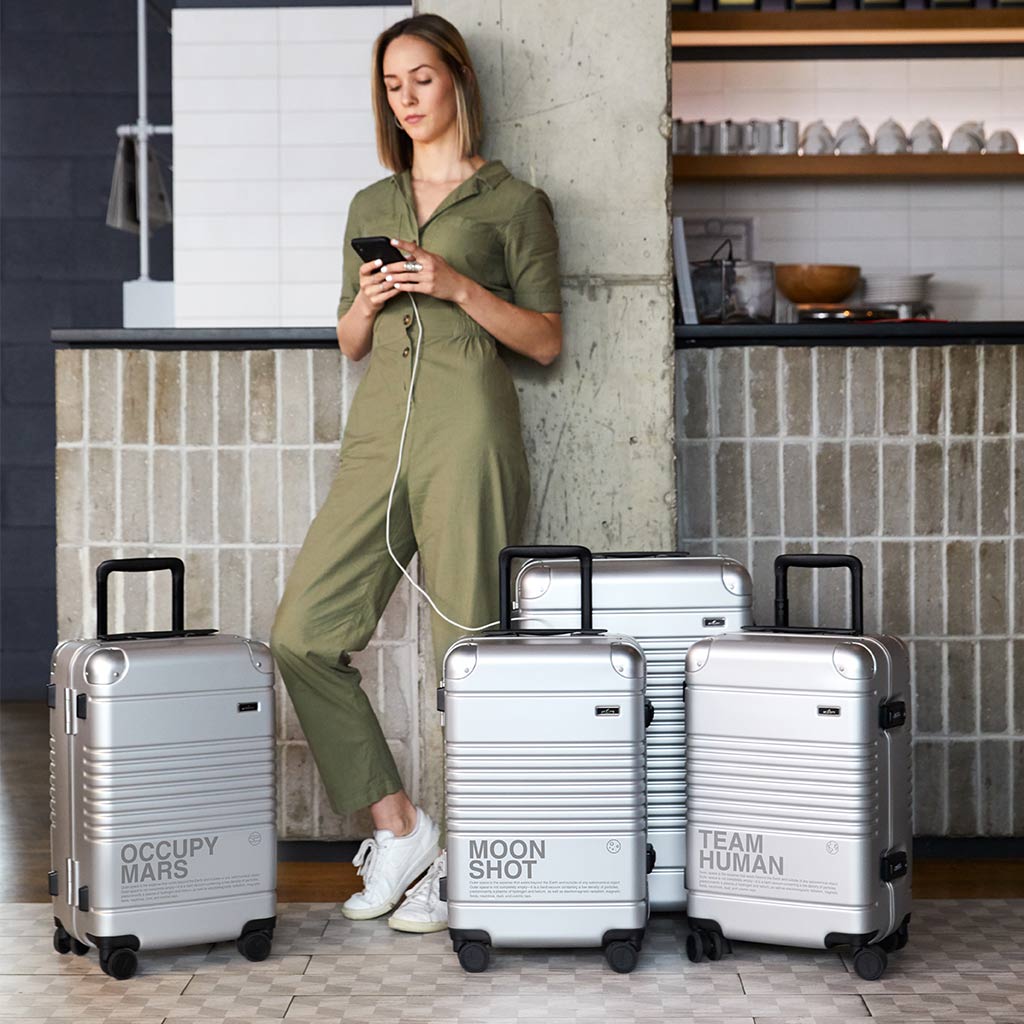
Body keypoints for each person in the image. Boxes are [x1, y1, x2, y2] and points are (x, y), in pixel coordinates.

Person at [270, 13, 563, 934]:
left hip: (466, 432)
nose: (406, 98)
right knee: (303, 632)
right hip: (378, 435)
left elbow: (547, 342)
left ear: (459, 82)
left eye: (422, 79)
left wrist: (459, 287)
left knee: (463, 656)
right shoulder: (371, 205)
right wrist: (366, 298)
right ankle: (401, 825)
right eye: (393, 86)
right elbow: (351, 344)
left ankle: (472, 860)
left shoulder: (517, 203)